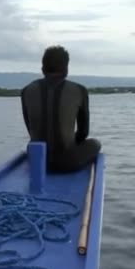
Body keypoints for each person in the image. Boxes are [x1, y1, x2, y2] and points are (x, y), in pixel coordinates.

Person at [20, 45, 101, 173]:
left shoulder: (26, 91)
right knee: (95, 143)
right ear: (66, 69)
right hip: (67, 163)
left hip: (37, 160)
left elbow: (31, 131)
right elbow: (83, 133)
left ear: (42, 69)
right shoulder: (80, 90)